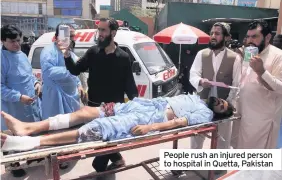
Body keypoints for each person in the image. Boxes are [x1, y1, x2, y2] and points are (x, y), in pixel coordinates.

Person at [1, 94, 234, 152]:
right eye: (223, 101)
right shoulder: (198, 96)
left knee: (94, 130)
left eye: (223, 107)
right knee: (85, 112)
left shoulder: (205, 114)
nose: (221, 102)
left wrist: (149, 129)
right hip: (141, 105)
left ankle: (28, 143)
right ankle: (28, 127)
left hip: (149, 118)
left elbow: (177, 123)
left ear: (219, 113)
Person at [63, 18, 138, 171]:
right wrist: (66, 55)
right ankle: (118, 159)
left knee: (101, 151)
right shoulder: (93, 52)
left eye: (104, 30)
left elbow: (129, 85)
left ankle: (101, 167)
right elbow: (76, 70)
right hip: (93, 107)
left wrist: (137, 105)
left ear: (113, 32)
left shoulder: (123, 57)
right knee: (102, 139)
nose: (100, 34)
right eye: (99, 30)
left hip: (112, 110)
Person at [189, 22, 241, 152]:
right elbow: (193, 74)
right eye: (211, 33)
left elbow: (236, 83)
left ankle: (218, 164)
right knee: (197, 133)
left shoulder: (235, 58)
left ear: (227, 37)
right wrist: (200, 81)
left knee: (223, 136)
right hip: (203, 101)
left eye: (217, 34)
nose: (213, 36)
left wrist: (228, 103)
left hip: (223, 104)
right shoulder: (202, 54)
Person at [1, 25, 42, 177]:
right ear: (2, 40)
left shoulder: (22, 55)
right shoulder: (1, 59)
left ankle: (30, 157)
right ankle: (13, 165)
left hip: (30, 104)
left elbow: (29, 75)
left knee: (30, 132)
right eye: (12, 41)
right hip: (12, 106)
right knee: (11, 137)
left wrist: (36, 83)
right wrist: (18, 97)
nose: (17, 44)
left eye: (18, 40)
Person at [234, 20, 282, 149]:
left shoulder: (278, 56)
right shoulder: (246, 54)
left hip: (261, 123)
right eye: (248, 36)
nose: (249, 40)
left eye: (254, 36)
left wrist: (261, 71)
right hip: (242, 116)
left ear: (267, 37)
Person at [40, 24, 85, 119]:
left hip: (71, 97)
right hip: (56, 98)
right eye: (69, 36)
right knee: (56, 127)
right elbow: (49, 72)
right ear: (57, 37)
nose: (72, 39)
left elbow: (74, 73)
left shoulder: (69, 52)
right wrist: (71, 70)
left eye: (73, 36)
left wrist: (78, 84)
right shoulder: (48, 52)